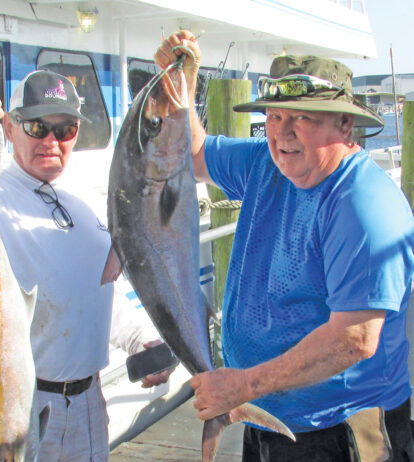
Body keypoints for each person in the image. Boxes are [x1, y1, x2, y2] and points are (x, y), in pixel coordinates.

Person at [155, 31, 414, 461]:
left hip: (341, 429)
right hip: (267, 415)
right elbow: (194, 154)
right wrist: (184, 79)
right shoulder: (266, 162)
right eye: (274, 116)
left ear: (346, 124)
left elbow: (354, 340)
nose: (283, 133)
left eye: (302, 117)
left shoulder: (363, 205)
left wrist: (240, 385)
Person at [0, 70, 171, 461]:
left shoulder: (83, 199)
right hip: (16, 407)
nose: (50, 141)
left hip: (88, 402)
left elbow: (93, 289)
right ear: (10, 128)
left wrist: (138, 338)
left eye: (65, 129)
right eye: (37, 126)